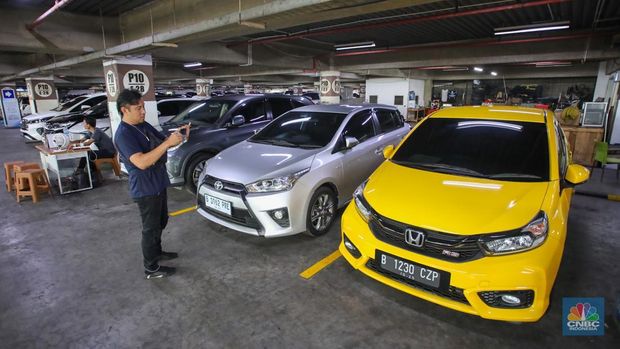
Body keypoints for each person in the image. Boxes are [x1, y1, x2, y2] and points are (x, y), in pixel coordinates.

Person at [113, 89, 188, 279]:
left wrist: (178, 136)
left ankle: (158, 252)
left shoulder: (142, 125)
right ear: (124, 110)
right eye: (138, 108)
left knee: (161, 221)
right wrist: (167, 144)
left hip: (159, 182)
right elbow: (141, 162)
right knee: (150, 228)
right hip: (145, 188)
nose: (143, 112)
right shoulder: (124, 134)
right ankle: (151, 268)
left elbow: (163, 140)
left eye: (143, 107)